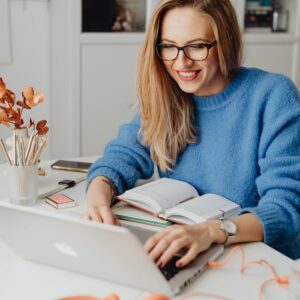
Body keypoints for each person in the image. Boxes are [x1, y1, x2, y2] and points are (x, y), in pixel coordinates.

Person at [86, 0, 300, 268]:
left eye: (197, 46)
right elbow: (121, 156)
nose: (181, 62)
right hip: (188, 254)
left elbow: (286, 209)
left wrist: (212, 231)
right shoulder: (165, 94)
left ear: (225, 42)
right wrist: (98, 198)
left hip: (259, 262)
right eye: (169, 47)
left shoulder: (273, 96)